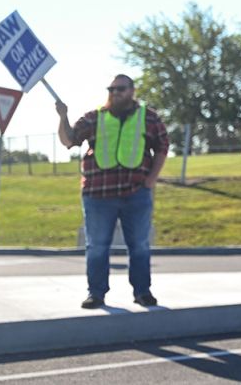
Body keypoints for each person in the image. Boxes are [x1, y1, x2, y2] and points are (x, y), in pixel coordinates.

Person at [55, 74, 169, 309]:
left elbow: (162, 146)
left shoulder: (148, 117)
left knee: (139, 245)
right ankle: (96, 293)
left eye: (120, 89)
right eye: (111, 89)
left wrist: (151, 180)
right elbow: (69, 140)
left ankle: (142, 292)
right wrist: (63, 116)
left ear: (132, 90)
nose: (115, 93)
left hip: (136, 194)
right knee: (96, 246)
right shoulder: (95, 117)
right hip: (98, 196)